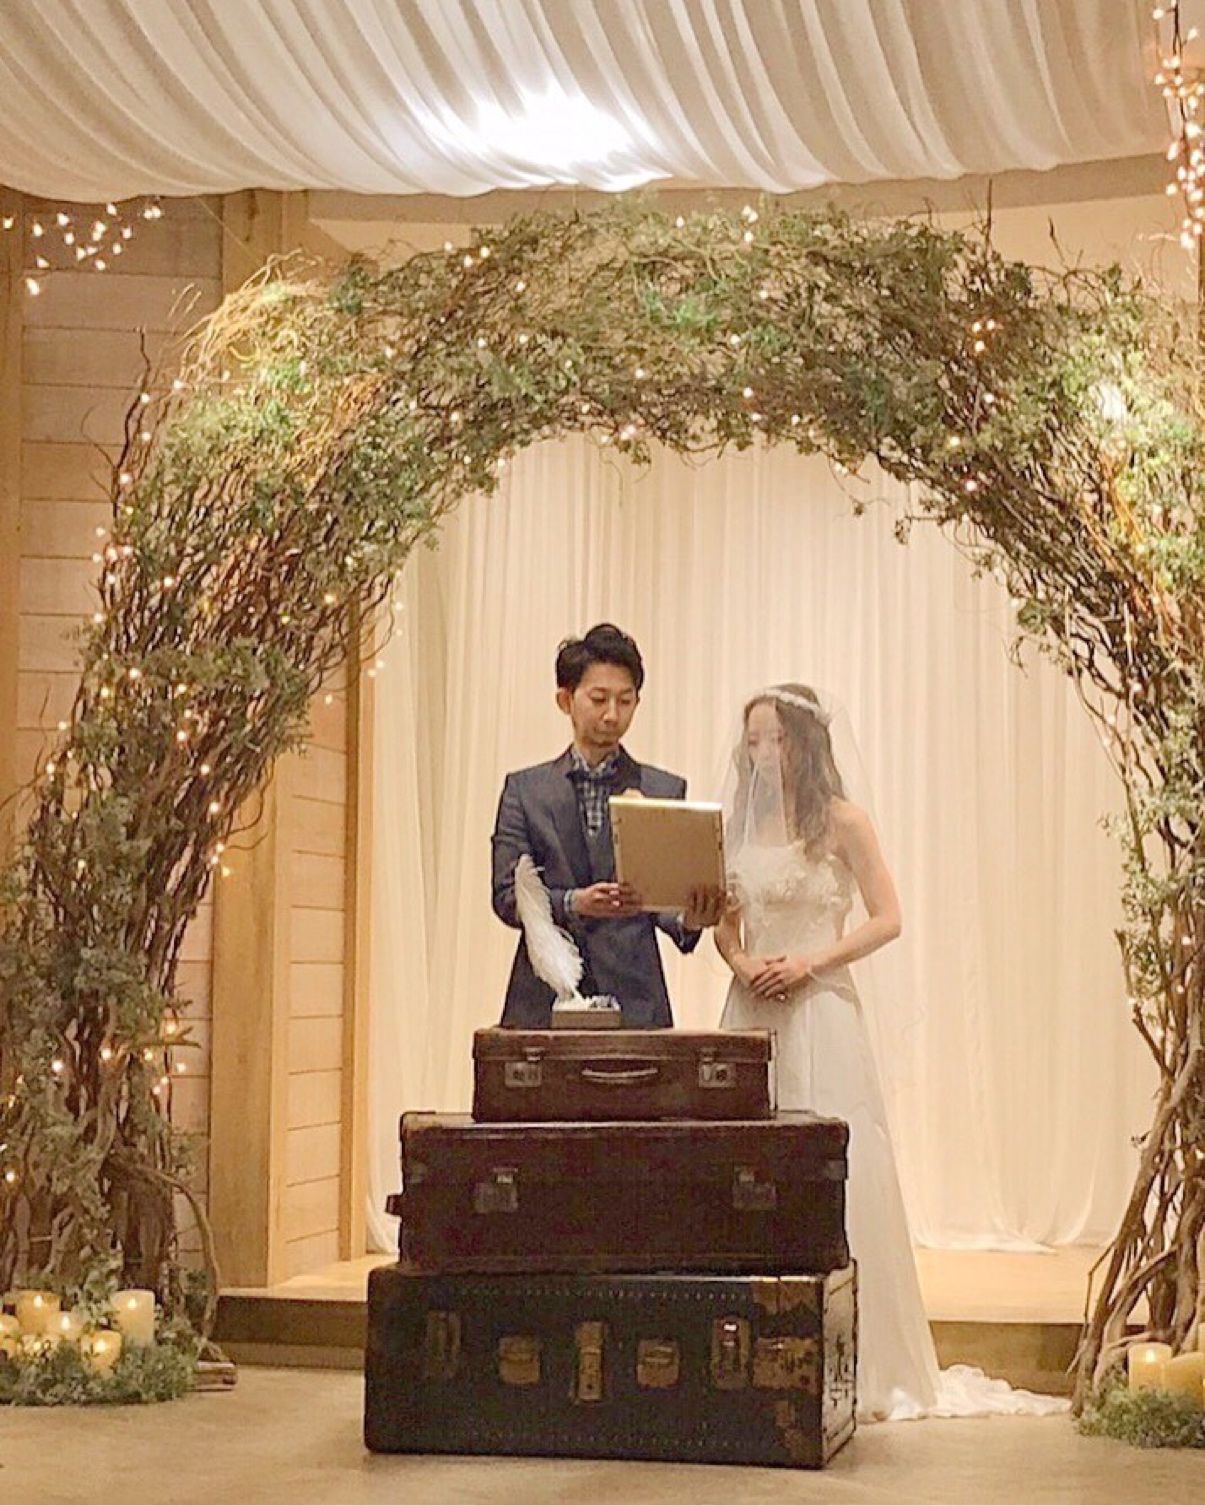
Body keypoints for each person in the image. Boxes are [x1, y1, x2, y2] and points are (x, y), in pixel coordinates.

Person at [715, 684, 1066, 1423]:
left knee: (842, 1165)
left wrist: (810, 962)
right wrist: (741, 963)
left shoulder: (842, 821)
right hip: (752, 1011)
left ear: (805, 742)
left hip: (819, 1008)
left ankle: (865, 1359)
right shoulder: (737, 824)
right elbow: (723, 922)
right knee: (752, 1167)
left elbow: (888, 917)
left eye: (776, 739)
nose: (764, 754)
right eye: (753, 741)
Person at [491, 623, 724, 1027]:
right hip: (545, 997)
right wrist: (573, 902)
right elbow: (507, 893)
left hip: (636, 998)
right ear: (565, 700)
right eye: (598, 699)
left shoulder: (662, 790)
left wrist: (691, 918)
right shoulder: (526, 791)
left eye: (625, 700)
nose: (612, 714)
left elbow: (664, 896)